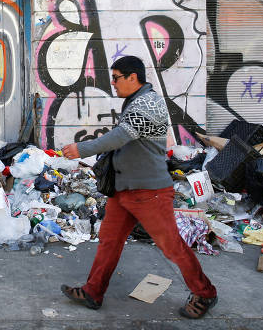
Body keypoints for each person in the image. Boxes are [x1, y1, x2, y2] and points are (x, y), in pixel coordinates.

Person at [59, 55, 217, 319]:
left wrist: (82, 149)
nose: (113, 83)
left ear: (133, 77)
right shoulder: (136, 101)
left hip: (149, 192)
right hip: (125, 191)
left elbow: (122, 136)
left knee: (171, 246)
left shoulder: (149, 102)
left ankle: (205, 293)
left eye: (117, 77)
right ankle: (93, 291)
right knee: (109, 241)